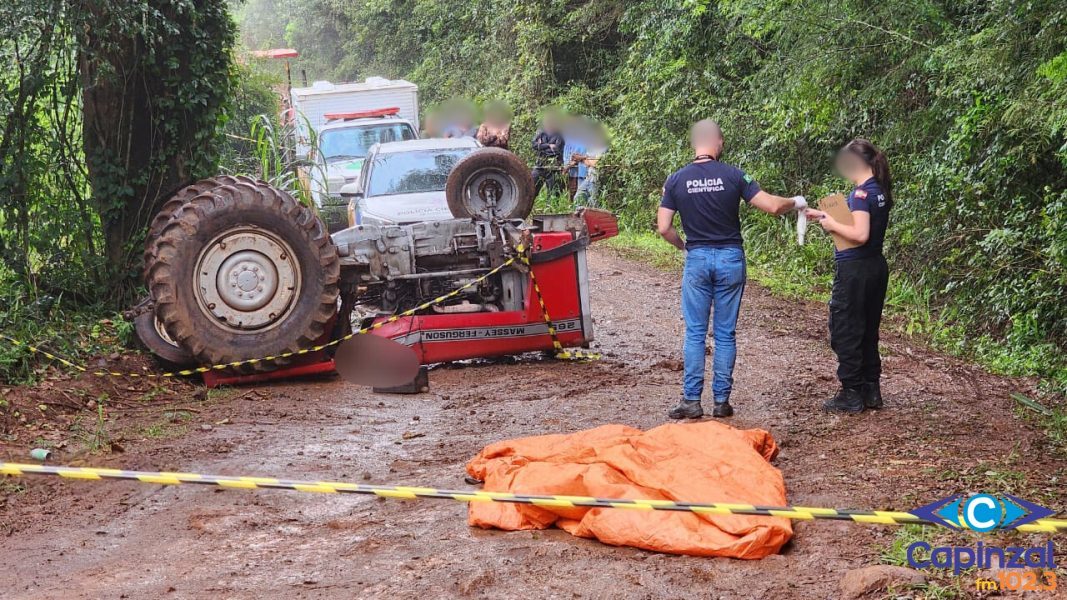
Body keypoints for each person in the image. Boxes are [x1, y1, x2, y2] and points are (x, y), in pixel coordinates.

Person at [658, 119, 806, 419]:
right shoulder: (735, 175)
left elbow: (663, 228)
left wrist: (684, 246)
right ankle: (721, 402)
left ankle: (691, 400)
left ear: (694, 142)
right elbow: (773, 206)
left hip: (697, 258)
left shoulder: (676, 180)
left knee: (696, 332)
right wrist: (796, 201)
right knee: (725, 333)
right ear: (718, 142)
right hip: (730, 259)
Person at [804, 139, 893, 413]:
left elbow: (859, 234)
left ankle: (851, 391)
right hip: (874, 267)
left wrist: (830, 224)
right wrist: (823, 215)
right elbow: (861, 224)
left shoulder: (860, 194)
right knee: (867, 328)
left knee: (845, 328)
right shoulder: (878, 190)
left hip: (854, 270)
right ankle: (871, 388)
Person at [531, 112, 565, 197]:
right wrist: (548, 145)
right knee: (531, 187)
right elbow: (534, 145)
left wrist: (541, 146)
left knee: (553, 193)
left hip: (553, 167)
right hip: (540, 165)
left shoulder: (560, 135)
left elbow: (557, 150)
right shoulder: (541, 133)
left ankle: (552, 208)